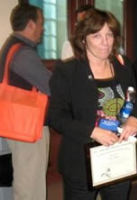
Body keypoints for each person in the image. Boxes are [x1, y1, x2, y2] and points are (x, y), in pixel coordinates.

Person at [48, 9, 137, 200]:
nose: (105, 42)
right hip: (81, 161)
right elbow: (56, 117)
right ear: (83, 39)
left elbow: (135, 97)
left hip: (119, 154)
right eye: (97, 36)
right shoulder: (67, 71)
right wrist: (92, 131)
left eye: (109, 35)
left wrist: (135, 118)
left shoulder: (123, 65)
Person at [0, 4, 52, 200]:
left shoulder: (11, 46)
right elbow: (50, 85)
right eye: (41, 23)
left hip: (18, 126)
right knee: (31, 186)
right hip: (29, 129)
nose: (43, 28)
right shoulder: (23, 54)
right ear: (30, 25)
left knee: (26, 182)